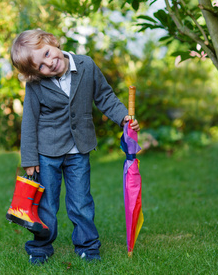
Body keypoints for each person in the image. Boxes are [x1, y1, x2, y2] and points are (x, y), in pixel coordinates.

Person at [10, 29, 140, 265]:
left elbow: (105, 97)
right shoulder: (36, 85)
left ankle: (87, 246)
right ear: (35, 73)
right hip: (47, 153)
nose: (49, 63)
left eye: (48, 53)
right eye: (40, 66)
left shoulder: (86, 65)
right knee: (46, 204)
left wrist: (123, 117)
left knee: (81, 201)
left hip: (79, 150)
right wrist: (29, 160)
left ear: (53, 42)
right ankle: (40, 248)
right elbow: (29, 121)